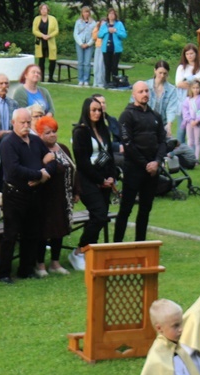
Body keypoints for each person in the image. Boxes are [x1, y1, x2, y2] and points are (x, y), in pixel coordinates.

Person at [0, 108, 55, 284]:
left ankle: (26, 269)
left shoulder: (36, 141)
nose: (25, 125)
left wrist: (42, 175)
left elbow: (52, 159)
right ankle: (4, 273)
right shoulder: (8, 143)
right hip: (15, 194)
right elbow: (14, 169)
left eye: (28, 122)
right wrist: (38, 174)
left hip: (35, 193)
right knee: (11, 234)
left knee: (32, 233)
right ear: (13, 123)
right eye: (22, 122)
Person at [68, 97, 118, 271]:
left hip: (105, 178)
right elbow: (82, 162)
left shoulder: (104, 130)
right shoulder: (80, 132)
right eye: (93, 110)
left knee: (101, 217)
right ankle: (79, 251)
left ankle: (91, 251)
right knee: (99, 214)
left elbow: (110, 154)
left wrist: (111, 177)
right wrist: (100, 180)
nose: (97, 113)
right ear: (86, 111)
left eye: (99, 110)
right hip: (88, 180)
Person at [113, 81, 166, 243]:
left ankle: (140, 243)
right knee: (126, 208)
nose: (144, 94)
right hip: (134, 169)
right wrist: (145, 164)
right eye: (140, 91)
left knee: (145, 208)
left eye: (146, 91)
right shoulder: (127, 115)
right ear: (134, 94)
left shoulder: (155, 115)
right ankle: (117, 244)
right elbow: (127, 143)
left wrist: (156, 162)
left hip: (152, 169)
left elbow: (163, 141)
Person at [34, 116, 75, 276]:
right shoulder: (38, 150)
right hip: (44, 197)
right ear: (40, 135)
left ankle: (55, 263)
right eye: (48, 132)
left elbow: (73, 169)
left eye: (54, 132)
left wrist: (76, 191)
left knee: (59, 229)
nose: (52, 135)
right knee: (44, 230)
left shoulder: (63, 148)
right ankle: (40, 264)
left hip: (63, 197)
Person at [175, 43, 200, 143]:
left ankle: (193, 154)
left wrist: (190, 82)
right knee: (181, 129)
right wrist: (195, 81)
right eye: (187, 54)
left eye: (192, 53)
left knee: (195, 130)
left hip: (197, 102)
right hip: (184, 101)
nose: (190, 56)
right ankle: (180, 152)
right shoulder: (181, 68)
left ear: (196, 54)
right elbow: (178, 83)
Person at [143, 60, 179, 138]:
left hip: (162, 124)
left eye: (165, 73)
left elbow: (171, 109)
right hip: (145, 123)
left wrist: (169, 125)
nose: (162, 76)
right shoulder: (145, 86)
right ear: (155, 71)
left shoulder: (172, 90)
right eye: (160, 73)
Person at [181, 80, 200, 167]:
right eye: (194, 88)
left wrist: (197, 120)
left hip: (198, 123)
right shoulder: (188, 99)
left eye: (197, 88)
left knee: (197, 141)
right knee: (190, 141)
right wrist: (189, 120)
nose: (196, 90)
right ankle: (190, 158)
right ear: (191, 89)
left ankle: (196, 159)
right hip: (189, 123)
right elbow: (185, 111)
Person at [98, 8, 127, 88]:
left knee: (114, 66)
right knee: (107, 66)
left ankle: (115, 82)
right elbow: (99, 35)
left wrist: (115, 31)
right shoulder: (105, 25)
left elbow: (124, 35)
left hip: (116, 49)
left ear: (115, 15)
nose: (111, 15)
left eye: (113, 14)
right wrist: (107, 31)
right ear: (108, 15)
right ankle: (107, 82)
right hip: (106, 48)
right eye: (110, 14)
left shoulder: (119, 24)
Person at [32, 3, 58, 83]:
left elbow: (56, 30)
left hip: (50, 42)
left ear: (48, 10)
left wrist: (49, 35)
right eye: (42, 9)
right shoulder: (36, 19)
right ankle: (41, 78)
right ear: (40, 10)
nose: (44, 10)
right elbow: (34, 30)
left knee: (52, 60)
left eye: (45, 9)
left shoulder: (53, 19)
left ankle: (50, 78)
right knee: (41, 60)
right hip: (40, 42)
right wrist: (42, 35)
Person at [73, 6, 96, 87]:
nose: (85, 14)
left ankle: (86, 80)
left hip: (89, 45)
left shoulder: (93, 23)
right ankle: (80, 79)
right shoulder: (78, 22)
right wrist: (80, 43)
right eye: (84, 12)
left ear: (89, 13)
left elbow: (94, 35)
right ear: (82, 13)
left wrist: (88, 44)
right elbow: (75, 34)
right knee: (80, 62)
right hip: (80, 44)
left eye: (87, 12)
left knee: (87, 63)